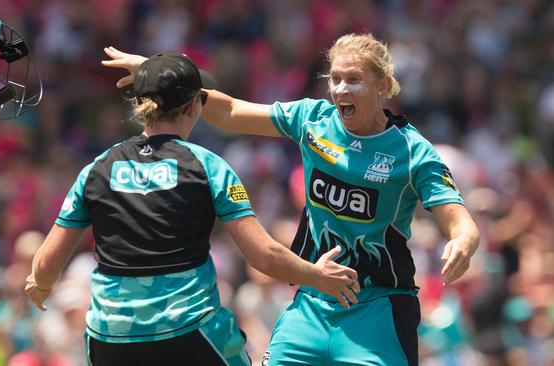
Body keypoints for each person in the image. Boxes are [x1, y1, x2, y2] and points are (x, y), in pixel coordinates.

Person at [102, 33, 480, 366]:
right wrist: (162, 76)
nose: (341, 90)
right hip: (313, 302)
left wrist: (463, 239)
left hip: (379, 309)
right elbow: (232, 111)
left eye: (354, 80)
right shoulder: (312, 119)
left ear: (384, 85)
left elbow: (457, 217)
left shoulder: (411, 151)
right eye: (335, 79)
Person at [25, 52, 360, 366]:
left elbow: (46, 262)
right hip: (190, 331)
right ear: (194, 107)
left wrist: (40, 285)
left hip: (111, 340)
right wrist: (316, 275)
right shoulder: (208, 166)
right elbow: (264, 257)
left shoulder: (97, 168)